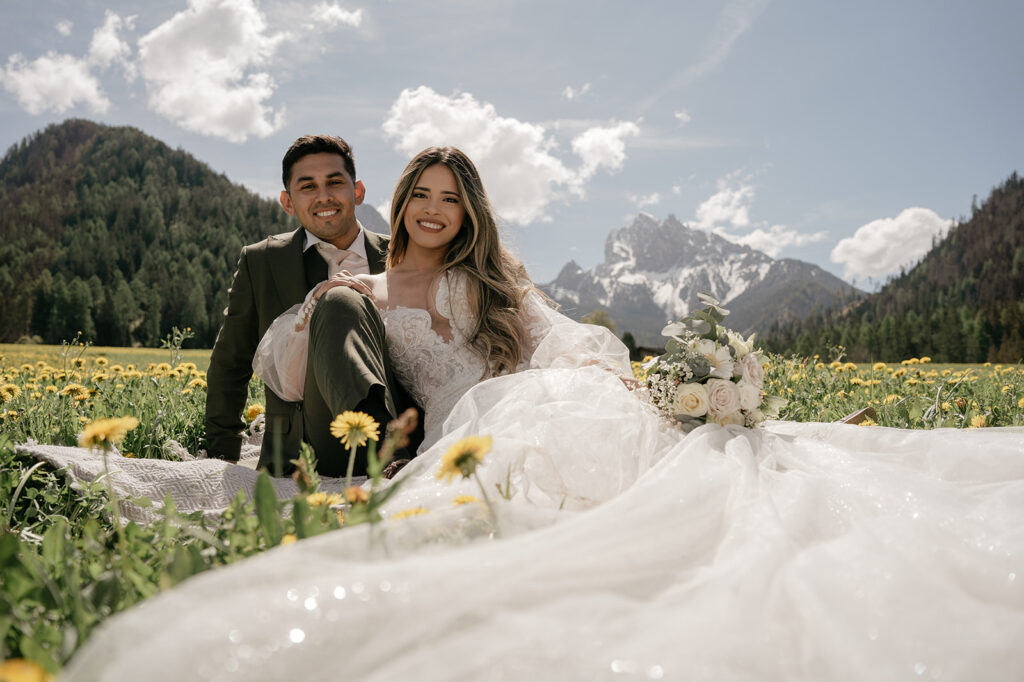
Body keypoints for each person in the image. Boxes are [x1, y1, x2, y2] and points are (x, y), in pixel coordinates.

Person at [56, 148, 1024, 680]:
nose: (434, 210)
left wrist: (605, 375)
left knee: (596, 429)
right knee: (531, 460)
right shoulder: (366, 285)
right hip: (457, 424)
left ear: (469, 212)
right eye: (421, 195)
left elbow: (563, 334)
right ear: (397, 200)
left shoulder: (491, 277)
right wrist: (307, 312)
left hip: (523, 396)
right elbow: (288, 371)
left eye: (451, 198)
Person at [205, 134, 418, 478]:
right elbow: (231, 361)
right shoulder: (262, 262)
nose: (324, 196)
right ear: (288, 202)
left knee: (339, 300)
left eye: (335, 182)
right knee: (337, 299)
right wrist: (221, 449)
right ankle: (389, 458)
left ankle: (392, 456)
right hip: (303, 445)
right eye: (308, 187)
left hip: (402, 424)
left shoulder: (405, 255)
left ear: (358, 191)